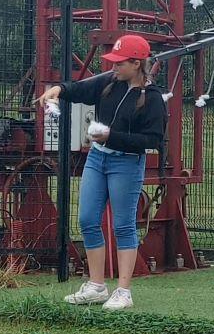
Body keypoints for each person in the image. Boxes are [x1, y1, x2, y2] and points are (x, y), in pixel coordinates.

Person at [40, 34, 166, 311]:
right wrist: (58, 90)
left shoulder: (153, 98)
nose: (114, 67)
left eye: (121, 63)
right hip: (98, 159)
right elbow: (81, 90)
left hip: (127, 163)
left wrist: (112, 137)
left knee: (123, 226)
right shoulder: (110, 82)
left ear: (137, 64)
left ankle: (123, 291)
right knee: (87, 219)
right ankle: (97, 286)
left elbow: (153, 140)